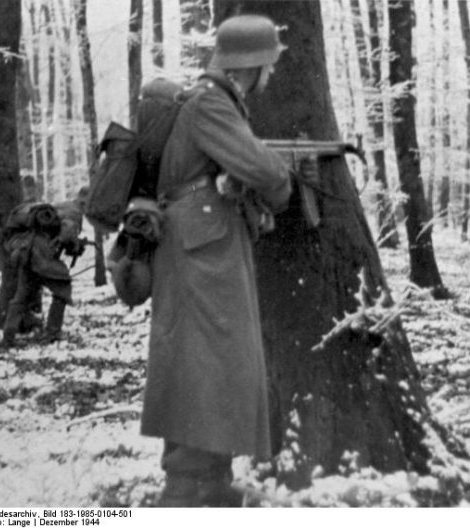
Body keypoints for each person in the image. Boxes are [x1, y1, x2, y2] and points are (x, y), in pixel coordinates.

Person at [140, 14, 300, 507]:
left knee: (213, 363)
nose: (271, 74)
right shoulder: (212, 103)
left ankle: (207, 477)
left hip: (203, 242)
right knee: (200, 362)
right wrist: (279, 182)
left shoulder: (214, 100)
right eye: (268, 63)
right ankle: (186, 486)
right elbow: (261, 168)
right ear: (250, 65)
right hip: (199, 248)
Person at [0, 188, 88, 346]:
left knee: (22, 295)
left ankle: (8, 335)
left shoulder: (63, 205)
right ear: (84, 201)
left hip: (26, 250)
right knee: (63, 289)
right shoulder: (74, 211)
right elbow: (66, 234)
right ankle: (52, 334)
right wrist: (76, 247)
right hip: (41, 253)